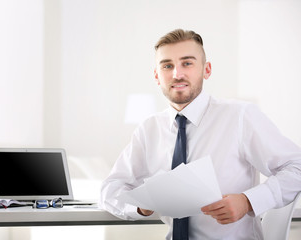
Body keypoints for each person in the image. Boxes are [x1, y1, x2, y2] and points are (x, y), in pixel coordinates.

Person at [99, 28, 301, 239]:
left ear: (207, 70)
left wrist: (248, 201)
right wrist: (140, 207)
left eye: (187, 63)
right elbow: (110, 189)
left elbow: (297, 167)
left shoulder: (240, 117)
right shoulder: (148, 130)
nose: (177, 74)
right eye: (167, 66)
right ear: (157, 76)